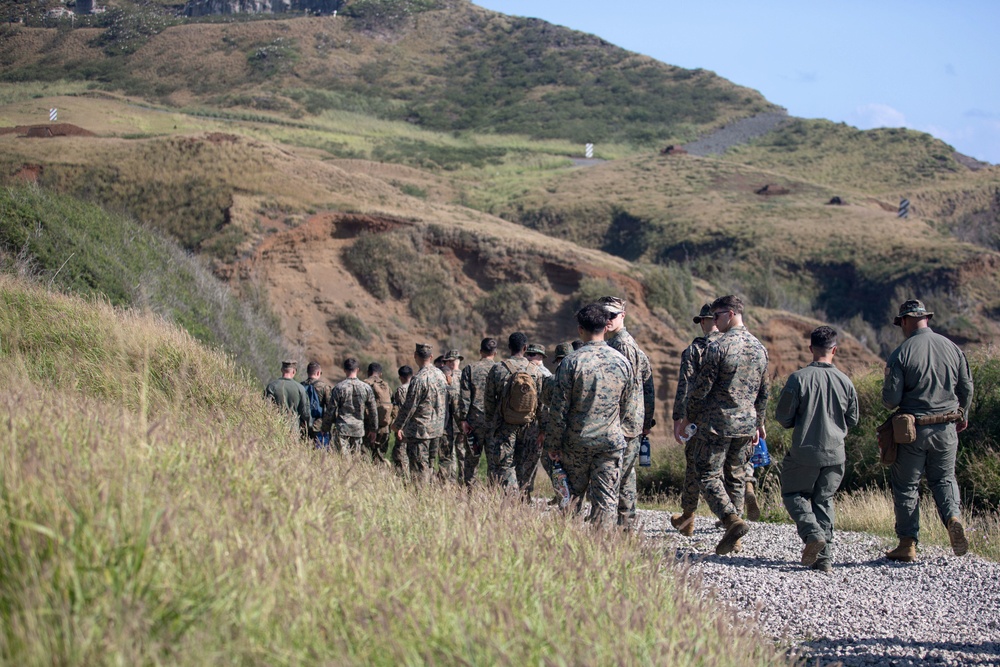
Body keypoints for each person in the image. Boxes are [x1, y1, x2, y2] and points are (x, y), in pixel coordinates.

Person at [882, 299, 974, 562]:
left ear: (907, 320)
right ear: (925, 319)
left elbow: (891, 399)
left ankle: (907, 544)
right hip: (947, 428)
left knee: (907, 486)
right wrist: (963, 413)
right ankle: (953, 519)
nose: (901, 327)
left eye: (901, 323)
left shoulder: (901, 353)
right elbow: (966, 387)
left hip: (913, 431)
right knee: (944, 479)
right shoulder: (952, 348)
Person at [678, 295, 769, 555]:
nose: (714, 322)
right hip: (746, 424)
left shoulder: (718, 347)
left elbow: (701, 389)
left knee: (707, 474)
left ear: (729, 314)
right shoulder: (759, 348)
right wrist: (759, 422)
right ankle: (736, 539)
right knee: (736, 476)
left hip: (717, 423)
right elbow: (764, 392)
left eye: (716, 316)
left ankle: (731, 520)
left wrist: (689, 417)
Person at [544, 304, 636, 529]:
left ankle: (571, 549)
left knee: (572, 500)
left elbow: (559, 410)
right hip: (609, 443)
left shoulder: (571, 362)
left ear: (580, 330)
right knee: (605, 500)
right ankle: (600, 549)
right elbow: (627, 407)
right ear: (606, 327)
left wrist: (553, 444)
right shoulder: (622, 362)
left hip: (577, 443)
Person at [775, 326, 859, 572]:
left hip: (805, 452)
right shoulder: (846, 381)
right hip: (835, 453)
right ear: (835, 350)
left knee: (793, 494)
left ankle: (812, 534)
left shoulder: (798, 379)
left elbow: (783, 418)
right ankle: (825, 559)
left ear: (811, 348)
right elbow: (852, 420)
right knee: (824, 500)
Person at [599, 296, 655, 530]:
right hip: (629, 421)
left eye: (612, 315)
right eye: (604, 315)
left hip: (624, 423)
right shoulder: (616, 342)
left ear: (623, 316)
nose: (608, 320)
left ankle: (621, 525)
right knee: (626, 475)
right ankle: (626, 525)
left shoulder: (622, 344)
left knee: (617, 476)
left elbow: (628, 387)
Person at [670, 304, 721, 535]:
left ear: (705, 321)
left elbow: (685, 385)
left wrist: (678, 418)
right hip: (731, 419)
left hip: (699, 419)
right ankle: (733, 519)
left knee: (693, 467)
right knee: (729, 468)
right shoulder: (734, 346)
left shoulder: (695, 349)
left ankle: (688, 518)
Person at [484, 332, 545, 491]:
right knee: (524, 464)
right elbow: (541, 404)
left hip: (504, 425)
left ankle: (511, 499)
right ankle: (525, 499)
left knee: (506, 464)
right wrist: (542, 429)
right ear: (525, 348)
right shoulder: (536, 371)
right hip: (529, 426)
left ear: (508, 347)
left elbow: (489, 400)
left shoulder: (498, 369)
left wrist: (492, 424)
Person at [392, 343, 449, 484]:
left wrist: (398, 425)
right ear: (431, 357)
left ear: (415, 356)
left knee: (419, 469)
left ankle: (421, 497)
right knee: (430, 466)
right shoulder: (441, 375)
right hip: (437, 429)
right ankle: (432, 494)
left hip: (420, 431)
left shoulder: (418, 379)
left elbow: (409, 406)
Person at [460, 338, 498, 485]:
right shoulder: (500, 369)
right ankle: (494, 494)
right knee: (494, 462)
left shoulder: (470, 369)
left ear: (480, 351)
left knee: (471, 461)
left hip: (473, 423)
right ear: (495, 353)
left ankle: (470, 493)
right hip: (494, 423)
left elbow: (464, 397)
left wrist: (463, 419)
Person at [539, 342, 573, 503]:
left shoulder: (552, 380)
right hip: (579, 433)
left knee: (557, 468)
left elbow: (547, 406)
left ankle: (563, 501)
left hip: (558, 432)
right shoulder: (582, 375)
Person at [324, 357, 379, 455]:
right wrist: (374, 429)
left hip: (342, 428)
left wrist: (325, 428)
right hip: (358, 429)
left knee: (342, 460)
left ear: (344, 370)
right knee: (355, 461)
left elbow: (330, 410)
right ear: (357, 370)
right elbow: (373, 410)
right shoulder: (366, 388)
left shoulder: (339, 388)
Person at [436, 349, 465, 482]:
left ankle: (449, 483)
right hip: (462, 422)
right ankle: (464, 483)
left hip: (447, 423)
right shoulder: (466, 375)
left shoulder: (441, 376)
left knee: (448, 455)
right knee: (462, 455)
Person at [265, 359, 311, 435]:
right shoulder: (300, 388)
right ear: (294, 371)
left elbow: (266, 407)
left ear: (281, 370)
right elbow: (305, 413)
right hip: (292, 429)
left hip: (274, 428)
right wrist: (308, 425)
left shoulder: (272, 386)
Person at [364, 362, 394, 464]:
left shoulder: (365, 384)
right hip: (384, 428)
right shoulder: (386, 386)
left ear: (368, 372)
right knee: (380, 457)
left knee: (365, 457)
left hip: (368, 427)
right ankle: (380, 476)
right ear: (380, 374)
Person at [302, 361, 334, 447]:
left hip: (303, 424)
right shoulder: (324, 387)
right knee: (320, 453)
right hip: (319, 426)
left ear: (308, 372)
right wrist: (327, 426)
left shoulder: (300, 386)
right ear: (318, 372)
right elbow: (330, 407)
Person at [390, 365, 413, 473]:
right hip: (417, 427)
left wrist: (398, 427)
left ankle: (403, 478)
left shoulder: (401, 390)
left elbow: (402, 409)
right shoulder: (418, 386)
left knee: (399, 454)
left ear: (401, 377)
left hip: (404, 428)